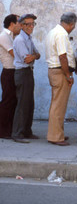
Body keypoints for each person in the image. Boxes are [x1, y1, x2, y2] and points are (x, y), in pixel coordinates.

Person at [45, 12, 77, 146]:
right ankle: (56, 137)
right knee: (58, 105)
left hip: (55, 71)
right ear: (71, 24)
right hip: (60, 71)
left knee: (57, 104)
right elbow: (62, 56)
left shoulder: (53, 32)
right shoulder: (62, 34)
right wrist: (68, 75)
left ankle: (58, 133)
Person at [12, 14, 41, 143]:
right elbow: (28, 58)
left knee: (29, 103)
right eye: (28, 24)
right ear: (22, 25)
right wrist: (34, 56)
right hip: (22, 73)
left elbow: (38, 54)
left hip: (28, 72)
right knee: (22, 104)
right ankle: (17, 133)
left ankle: (27, 131)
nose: (31, 27)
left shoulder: (28, 39)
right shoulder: (20, 40)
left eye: (32, 24)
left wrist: (34, 56)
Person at [0, 14, 21, 139]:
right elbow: (15, 54)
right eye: (19, 22)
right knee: (7, 101)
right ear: (12, 24)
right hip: (8, 72)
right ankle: (3, 130)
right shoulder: (4, 36)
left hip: (14, 71)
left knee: (13, 101)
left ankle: (10, 128)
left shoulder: (13, 36)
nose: (21, 25)